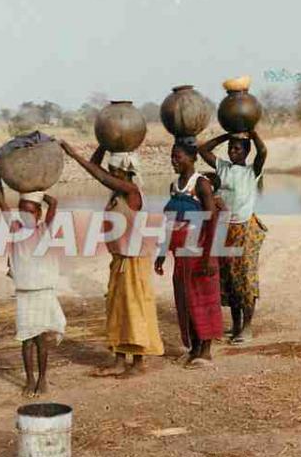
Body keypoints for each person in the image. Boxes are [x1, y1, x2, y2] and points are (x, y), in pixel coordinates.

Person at [59, 140, 164, 378]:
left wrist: (74, 154)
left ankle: (138, 362)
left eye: (115, 171)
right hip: (119, 259)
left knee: (135, 309)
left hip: (134, 261)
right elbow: (97, 169)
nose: (111, 174)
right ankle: (119, 359)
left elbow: (100, 176)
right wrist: (102, 142)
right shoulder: (118, 194)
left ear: (125, 173)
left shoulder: (132, 193)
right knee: (117, 310)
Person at [0, 165, 66, 397]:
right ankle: (29, 378)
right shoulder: (15, 229)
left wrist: (35, 191)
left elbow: (53, 203)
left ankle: (43, 378)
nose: (26, 215)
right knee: (26, 339)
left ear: (38, 215)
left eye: (31, 211)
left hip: (43, 292)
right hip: (25, 293)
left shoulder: (44, 229)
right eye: (22, 211)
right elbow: (1, 203)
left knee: (41, 340)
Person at [154, 137, 223, 367]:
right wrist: (162, 253)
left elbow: (212, 220)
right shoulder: (174, 186)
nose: (173, 161)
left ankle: (206, 351)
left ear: (192, 158)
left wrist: (209, 256)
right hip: (181, 253)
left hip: (200, 249)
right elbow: (169, 221)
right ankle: (194, 348)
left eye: (178, 156)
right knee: (185, 299)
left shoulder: (201, 184)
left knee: (203, 299)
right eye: (172, 157)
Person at [198, 130, 268, 343]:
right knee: (228, 277)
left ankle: (247, 328)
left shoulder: (251, 171)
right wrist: (227, 135)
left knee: (245, 277)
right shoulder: (223, 168)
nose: (232, 151)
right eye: (231, 148)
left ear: (247, 152)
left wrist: (253, 133)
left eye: (238, 149)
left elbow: (263, 150)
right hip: (225, 228)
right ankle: (236, 325)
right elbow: (202, 149)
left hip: (245, 227)